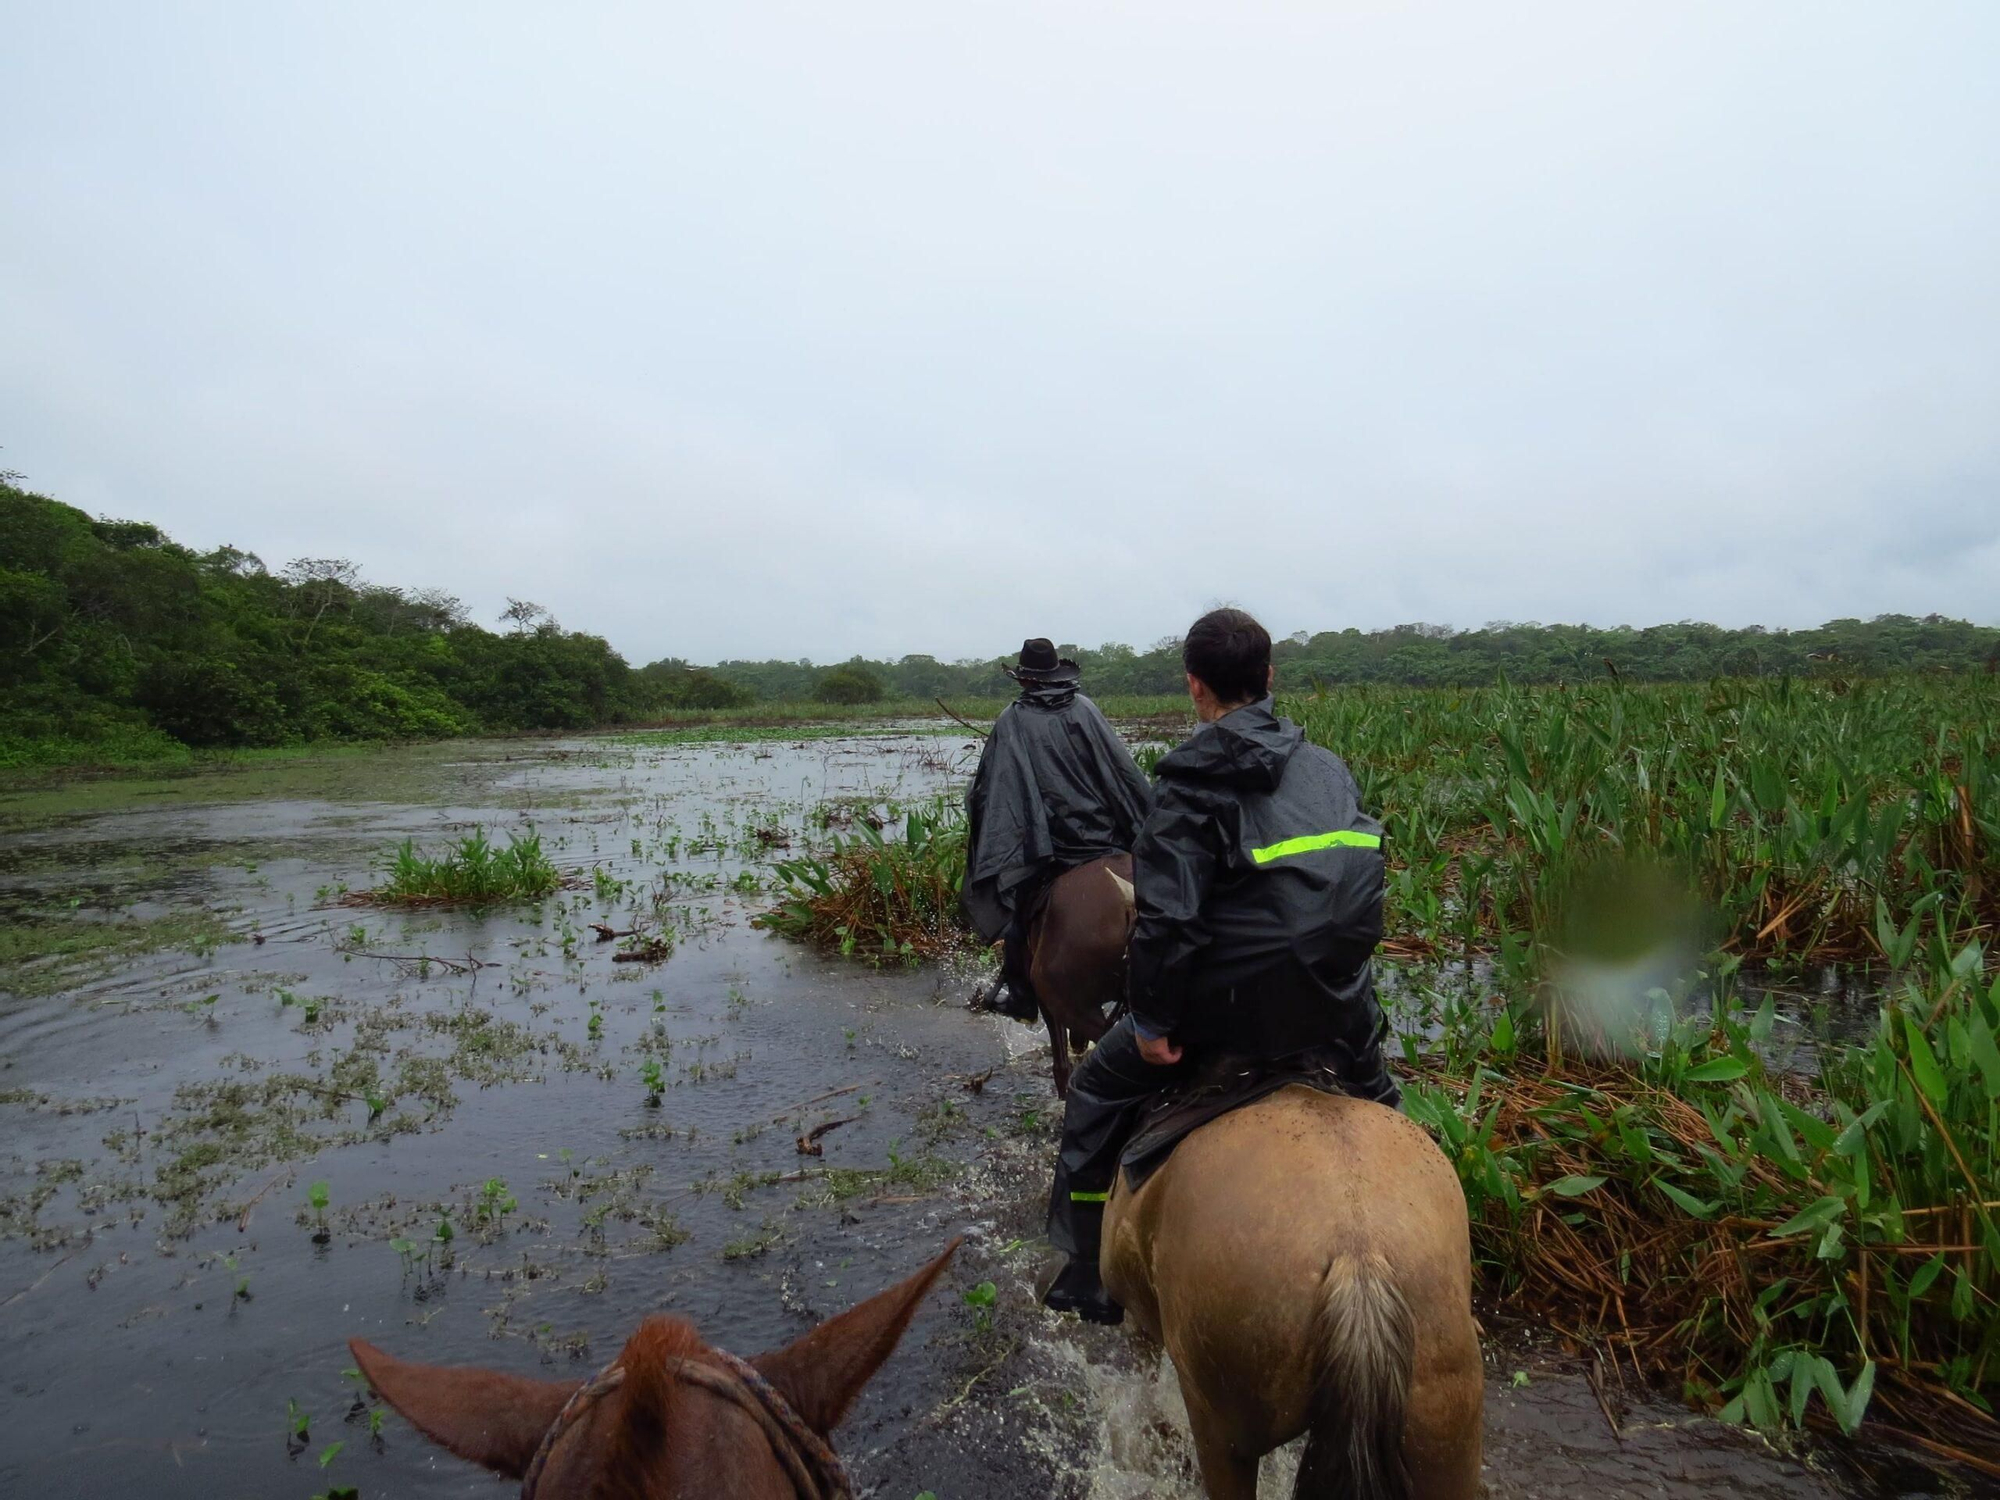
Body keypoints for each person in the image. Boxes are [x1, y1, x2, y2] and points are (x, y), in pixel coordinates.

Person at [1042, 608, 1399, 1323]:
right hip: (1336, 996)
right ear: (1269, 678)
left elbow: (1169, 922)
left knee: (1093, 1096)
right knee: (1386, 1101)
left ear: (1196, 688)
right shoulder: (1326, 768)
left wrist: (1153, 1021)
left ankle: (1085, 1273)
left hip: (1229, 1009)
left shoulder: (1187, 782)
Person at [963, 638, 1153, 1023]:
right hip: (1108, 840)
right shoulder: (1086, 709)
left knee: (1020, 916)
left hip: (1058, 850)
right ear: (1056, 675)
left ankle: (1020, 997)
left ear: (1024, 680)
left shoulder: (1012, 719)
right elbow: (1122, 773)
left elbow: (991, 792)